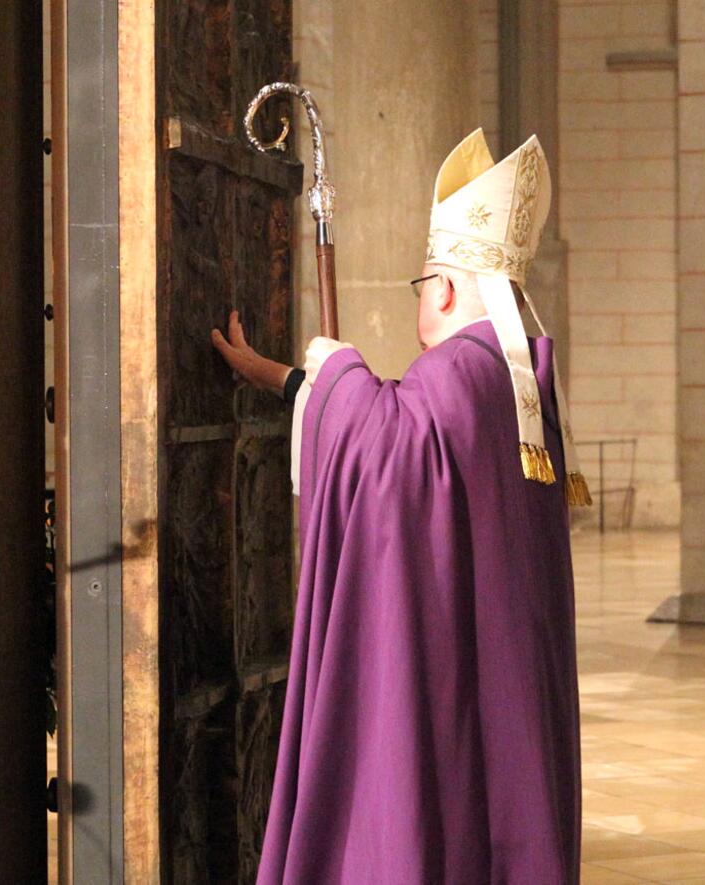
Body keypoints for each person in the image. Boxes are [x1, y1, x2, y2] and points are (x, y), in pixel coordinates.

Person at [212, 126, 590, 884]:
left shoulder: (457, 376)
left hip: (449, 698)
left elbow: (386, 452)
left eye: (422, 285)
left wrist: (334, 364)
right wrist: (294, 380)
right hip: (501, 699)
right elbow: (407, 443)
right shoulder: (515, 390)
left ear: (443, 288)